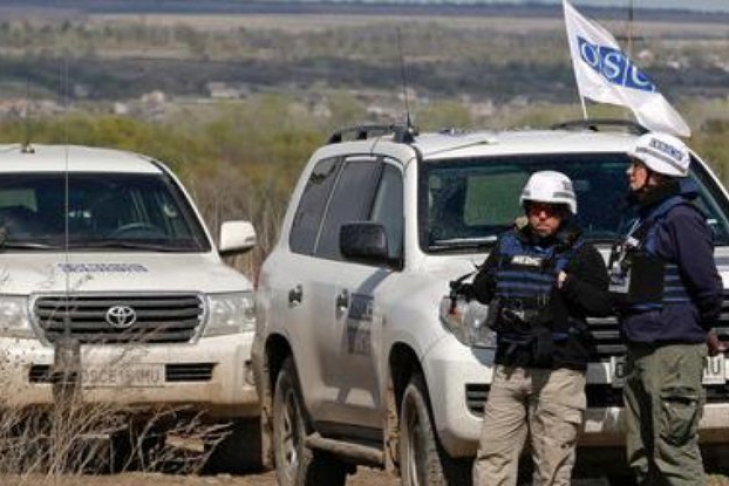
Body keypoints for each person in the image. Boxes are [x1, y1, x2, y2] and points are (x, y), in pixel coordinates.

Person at [469, 170, 612, 486]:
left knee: (552, 467)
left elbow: (603, 304)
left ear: (565, 211)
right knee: (492, 459)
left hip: (559, 373)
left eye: (550, 210)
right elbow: (481, 290)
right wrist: (493, 279)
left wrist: (568, 283)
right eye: (535, 208)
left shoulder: (582, 253)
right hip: (510, 368)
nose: (542, 216)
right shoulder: (507, 244)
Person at [608, 132, 724, 486]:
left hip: (671, 353)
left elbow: (708, 287)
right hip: (641, 349)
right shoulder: (644, 218)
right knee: (643, 459)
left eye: (636, 165)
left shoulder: (681, 219)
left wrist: (696, 327)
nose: (629, 172)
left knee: (674, 456)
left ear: (657, 172)